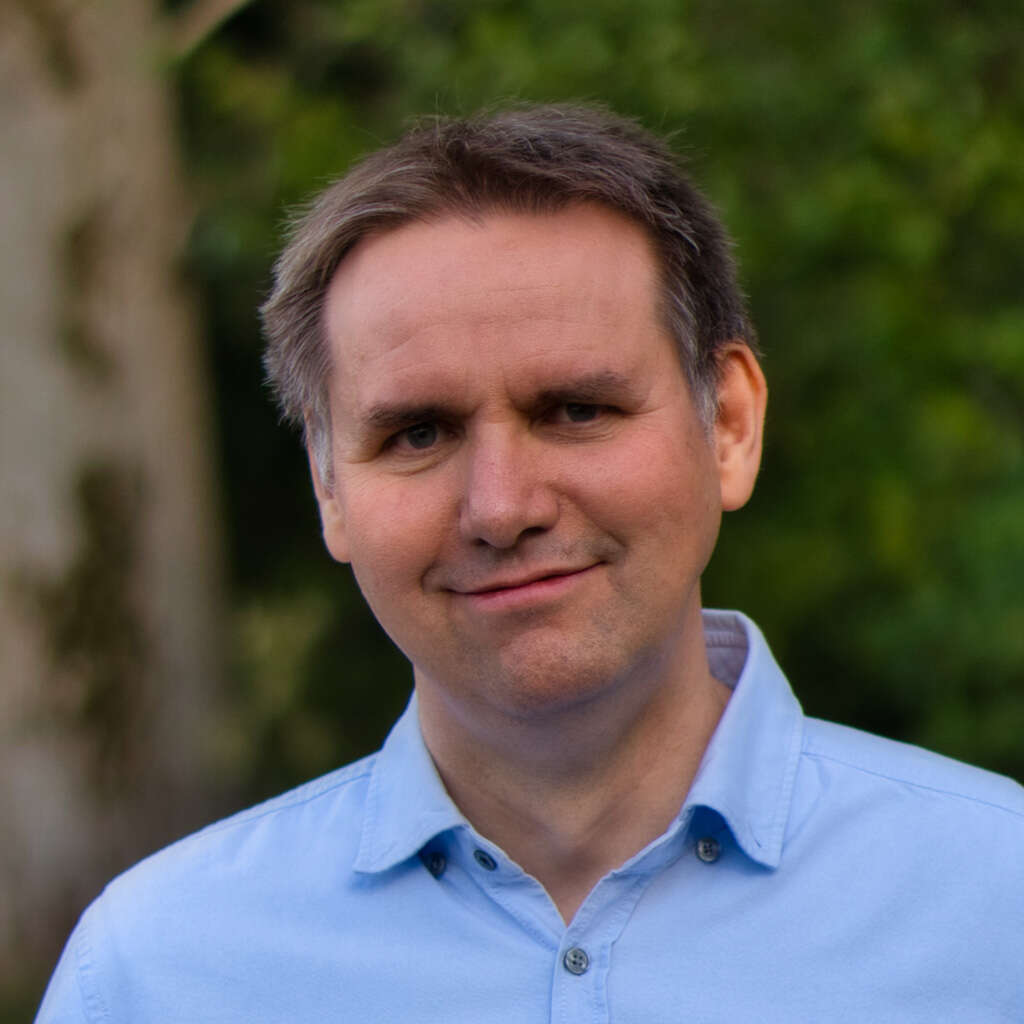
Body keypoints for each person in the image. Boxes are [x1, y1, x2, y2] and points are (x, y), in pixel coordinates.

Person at [37, 104, 1023, 1023]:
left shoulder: (995, 904)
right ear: (329, 486)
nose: (501, 507)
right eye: (419, 433)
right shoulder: (155, 973)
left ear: (728, 424)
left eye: (576, 410)